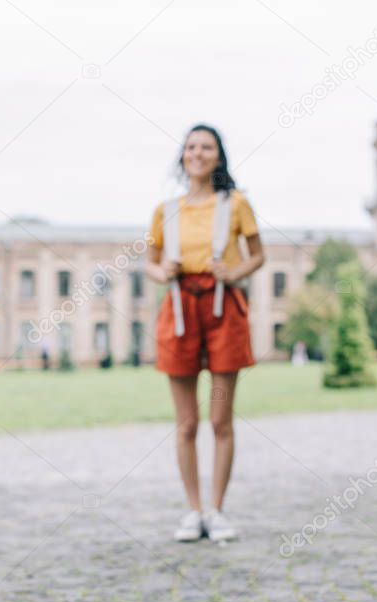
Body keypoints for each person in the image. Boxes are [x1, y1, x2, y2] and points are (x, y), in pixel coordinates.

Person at [145, 124, 265, 543]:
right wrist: (164, 273)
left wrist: (233, 272)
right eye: (192, 146)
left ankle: (216, 510)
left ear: (218, 156)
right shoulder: (166, 210)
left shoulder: (235, 204)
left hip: (222, 310)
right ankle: (193, 510)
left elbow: (258, 255)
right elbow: (152, 263)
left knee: (220, 419)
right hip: (180, 310)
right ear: (183, 156)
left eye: (207, 147)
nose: (198, 153)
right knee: (187, 424)